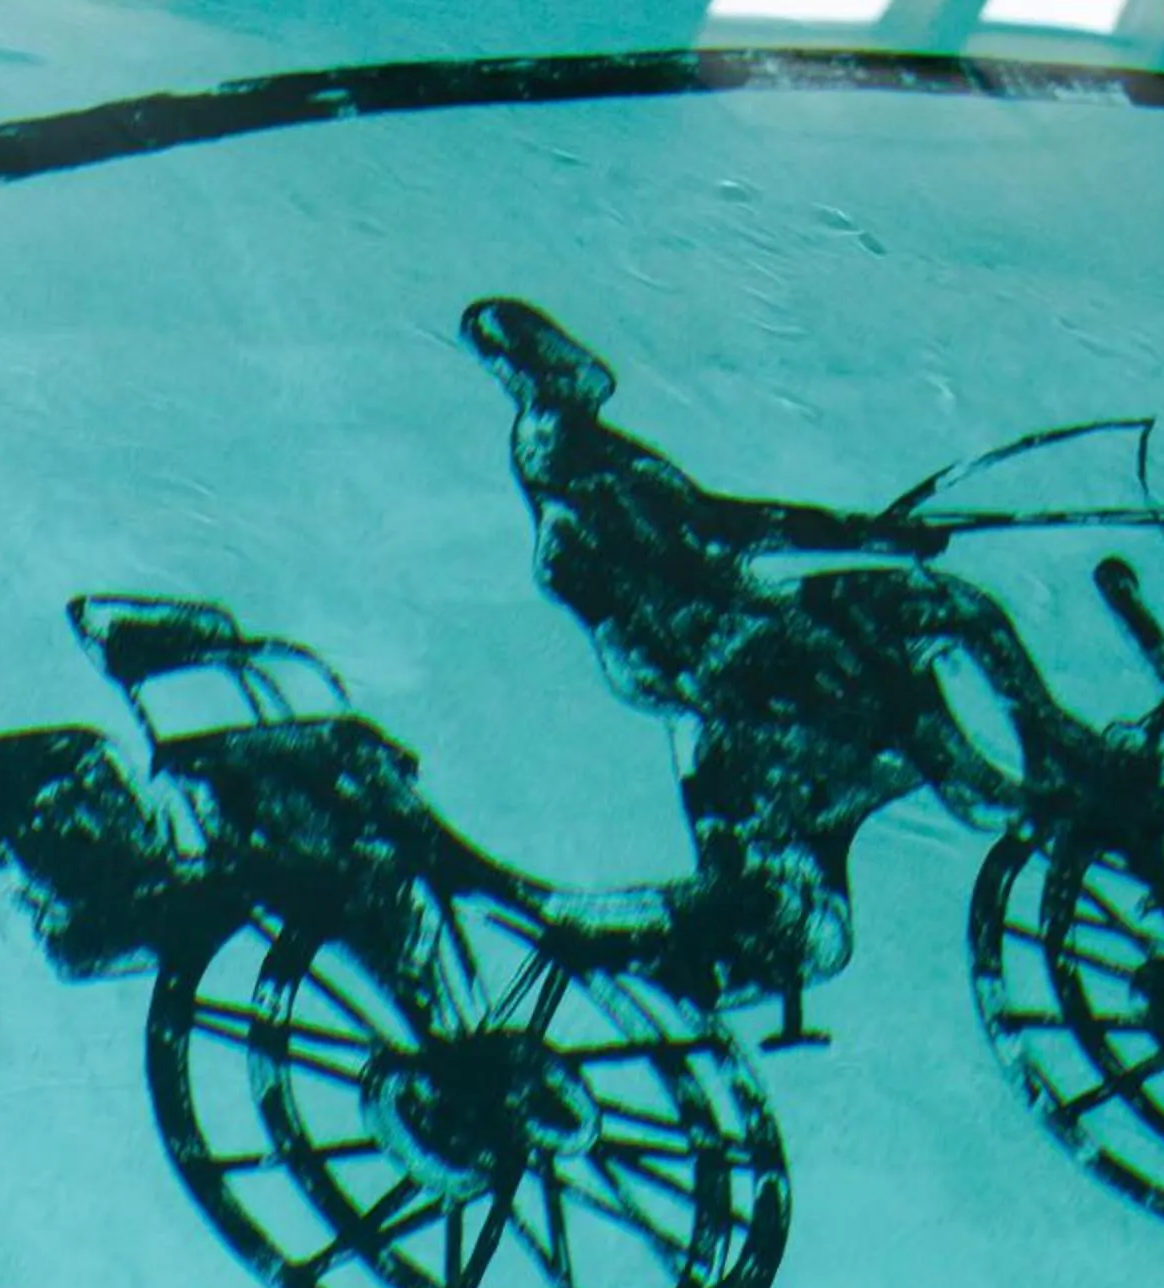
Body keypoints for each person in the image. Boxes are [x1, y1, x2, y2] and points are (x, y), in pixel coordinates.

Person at [460, 297, 1124, 1013]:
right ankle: (1042, 758)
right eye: (551, 354)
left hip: (719, 673)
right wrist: (862, 537)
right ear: (535, 371)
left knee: (912, 660)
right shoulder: (577, 462)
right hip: (736, 658)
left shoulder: (578, 457)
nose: (579, 364)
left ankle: (1015, 776)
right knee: (939, 611)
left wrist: (861, 534)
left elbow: (711, 529)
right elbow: (717, 529)